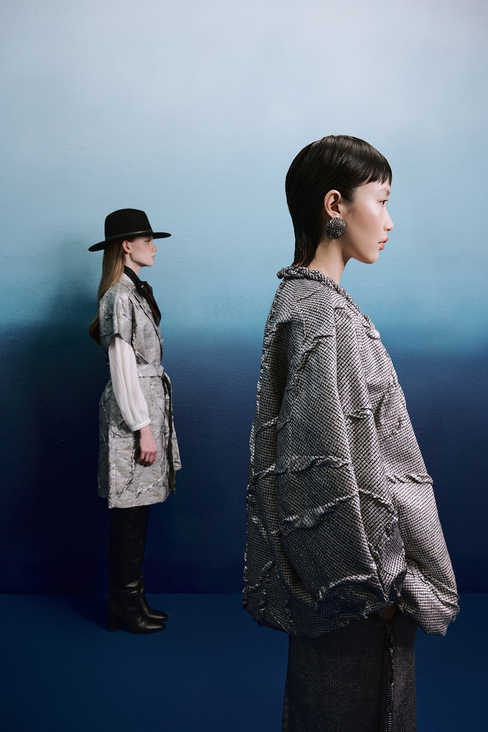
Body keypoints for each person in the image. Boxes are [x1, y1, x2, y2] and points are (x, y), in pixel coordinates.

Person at [243, 136, 459, 731]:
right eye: (381, 200)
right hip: (360, 593)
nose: (389, 222)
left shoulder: (299, 299)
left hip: (341, 586)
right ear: (334, 205)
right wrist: (382, 591)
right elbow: (326, 473)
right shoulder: (326, 316)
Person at [89, 208, 181, 634]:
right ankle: (124, 603)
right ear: (127, 246)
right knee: (129, 508)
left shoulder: (133, 291)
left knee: (138, 507)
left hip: (147, 409)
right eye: (147, 240)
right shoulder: (119, 296)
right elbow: (122, 369)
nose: (154, 247)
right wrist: (142, 427)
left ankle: (131, 600)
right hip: (134, 415)